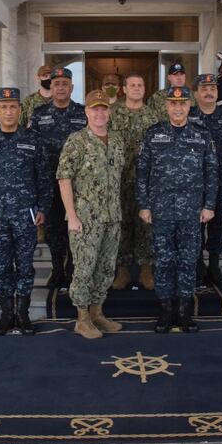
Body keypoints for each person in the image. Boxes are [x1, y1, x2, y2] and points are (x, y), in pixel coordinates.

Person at [136, 86, 217, 333]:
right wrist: (144, 204)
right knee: (163, 261)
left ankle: (184, 312)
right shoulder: (153, 134)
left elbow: (212, 172)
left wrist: (210, 205)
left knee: (188, 260)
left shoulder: (202, 135)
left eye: (182, 104)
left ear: (189, 106)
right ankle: (166, 311)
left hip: (192, 210)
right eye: (173, 103)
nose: (178, 108)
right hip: (160, 210)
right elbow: (141, 171)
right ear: (167, 106)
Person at [0, 87, 52, 335]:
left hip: (25, 215)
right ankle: (6, 314)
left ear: (20, 110)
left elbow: (44, 179)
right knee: (2, 266)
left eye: (13, 107)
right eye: (4, 106)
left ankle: (23, 314)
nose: (8, 111)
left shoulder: (33, 140)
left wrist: (43, 208)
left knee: (26, 265)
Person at [58, 90, 125, 339]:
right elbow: (64, 179)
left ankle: (97, 313)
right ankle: (82, 318)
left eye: (103, 108)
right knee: (84, 269)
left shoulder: (117, 141)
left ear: (109, 111)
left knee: (106, 268)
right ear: (86, 112)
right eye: (94, 109)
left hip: (112, 216)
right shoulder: (76, 141)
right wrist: (72, 216)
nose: (99, 113)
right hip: (85, 218)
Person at [29, 67, 87, 288]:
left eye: (65, 84)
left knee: (76, 226)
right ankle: (57, 268)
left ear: (72, 88)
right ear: (50, 87)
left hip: (78, 184)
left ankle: (73, 268)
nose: (61, 87)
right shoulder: (39, 114)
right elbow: (32, 149)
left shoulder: (83, 113)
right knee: (54, 230)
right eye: (56, 84)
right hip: (50, 182)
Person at [109, 72, 162, 290]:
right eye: (132, 85)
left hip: (145, 181)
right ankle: (121, 269)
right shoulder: (112, 113)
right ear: (124, 89)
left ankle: (146, 269)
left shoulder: (154, 116)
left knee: (145, 227)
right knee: (121, 225)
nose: (137, 88)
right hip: (119, 180)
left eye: (140, 85)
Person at [189, 73, 222, 287]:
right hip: (194, 184)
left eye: (213, 89)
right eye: (204, 88)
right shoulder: (188, 116)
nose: (209, 92)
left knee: (217, 226)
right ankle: (198, 265)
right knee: (195, 227)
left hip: (221, 183)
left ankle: (214, 265)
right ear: (196, 93)